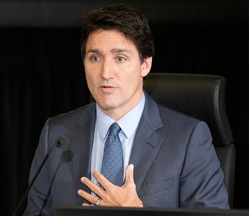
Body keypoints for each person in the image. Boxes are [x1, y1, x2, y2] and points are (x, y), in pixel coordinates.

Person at [23, 3, 229, 215]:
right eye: (95, 58)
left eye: (120, 58)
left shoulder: (188, 140)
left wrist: (137, 212)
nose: (105, 73)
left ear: (145, 64)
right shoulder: (57, 135)